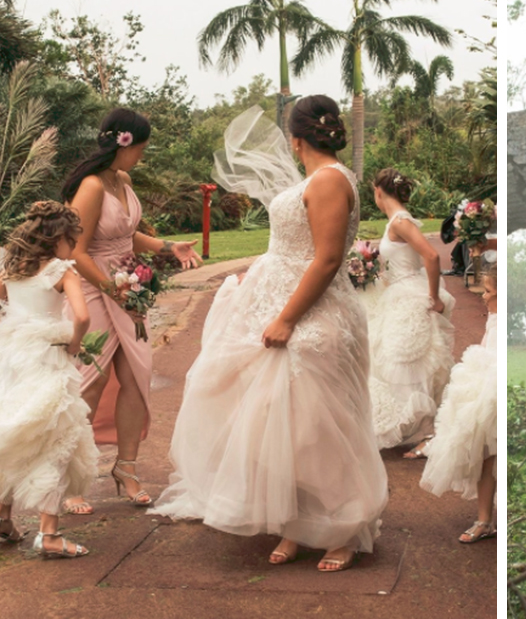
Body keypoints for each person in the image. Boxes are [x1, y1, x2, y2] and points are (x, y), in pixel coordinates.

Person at [151, 96, 387, 572]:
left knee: (320, 427)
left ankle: (344, 530)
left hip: (311, 316)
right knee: (280, 425)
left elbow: (325, 259)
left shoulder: (328, 181)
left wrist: (286, 318)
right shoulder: (320, 179)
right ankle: (296, 525)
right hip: (281, 307)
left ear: (297, 138)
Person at [61, 108, 202, 514]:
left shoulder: (121, 180)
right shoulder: (89, 187)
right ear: (122, 144)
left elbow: (125, 233)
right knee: (90, 382)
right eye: (140, 147)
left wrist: (167, 247)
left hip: (127, 286)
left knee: (136, 377)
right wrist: (112, 290)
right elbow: (77, 251)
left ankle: (126, 468)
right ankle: (71, 479)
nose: (142, 154)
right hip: (93, 287)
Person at [0, 201, 99, 558]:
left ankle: (4, 518)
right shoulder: (61, 270)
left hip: (12, 355)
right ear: (58, 239)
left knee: (14, 429)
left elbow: (3, 302)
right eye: (72, 241)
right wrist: (74, 343)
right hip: (48, 357)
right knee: (54, 434)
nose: (73, 249)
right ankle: (50, 534)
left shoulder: (11, 268)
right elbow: (83, 317)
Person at [367, 168, 455, 453]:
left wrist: (433, 298)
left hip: (410, 295)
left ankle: (420, 430)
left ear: (379, 191)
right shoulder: (395, 221)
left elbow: (430, 256)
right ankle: (411, 426)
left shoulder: (401, 221)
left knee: (405, 361)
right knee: (397, 359)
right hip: (398, 292)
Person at [420, 253, 497, 543]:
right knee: (486, 455)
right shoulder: (494, 314)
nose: (483, 297)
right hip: (484, 387)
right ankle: (484, 520)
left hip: (496, 386)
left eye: (488, 291)